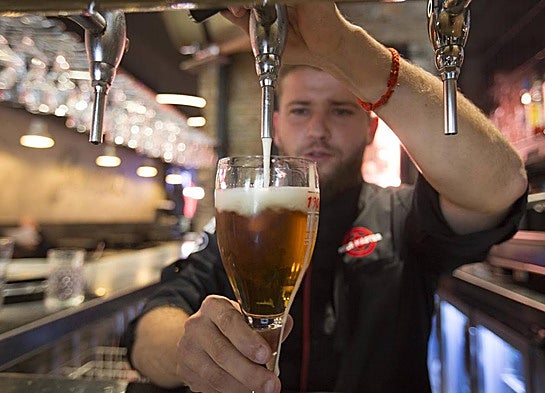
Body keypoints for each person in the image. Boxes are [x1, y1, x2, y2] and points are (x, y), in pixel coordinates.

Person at [123, 3, 528, 393]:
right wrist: (189, 352)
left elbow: (499, 186)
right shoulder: (244, 229)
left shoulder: (403, 216)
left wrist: (344, 48)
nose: (318, 129)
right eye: (301, 111)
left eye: (340, 111)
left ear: (370, 130)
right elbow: (149, 330)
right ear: (277, 127)